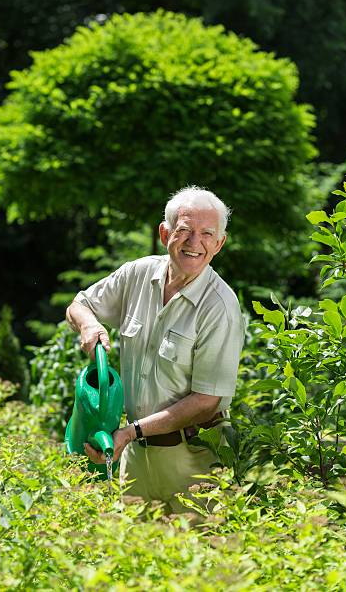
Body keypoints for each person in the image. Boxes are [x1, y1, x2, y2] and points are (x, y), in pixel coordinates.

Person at [66, 186, 244, 512]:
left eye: (207, 234)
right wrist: (89, 325)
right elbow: (80, 305)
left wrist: (131, 432)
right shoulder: (138, 273)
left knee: (200, 557)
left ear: (219, 243)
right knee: (130, 555)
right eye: (185, 231)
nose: (195, 243)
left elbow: (206, 402)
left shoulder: (220, 306)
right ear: (165, 233)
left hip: (193, 461)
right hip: (135, 456)